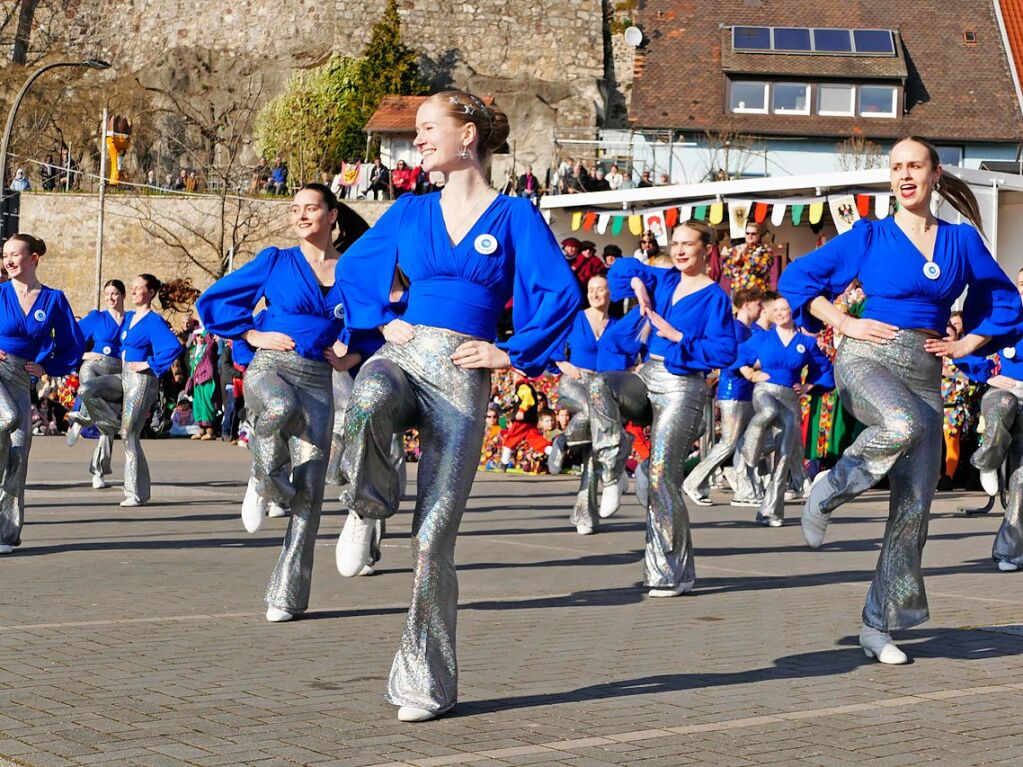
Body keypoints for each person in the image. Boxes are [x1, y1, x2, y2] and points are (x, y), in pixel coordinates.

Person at [333, 90, 579, 722]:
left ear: (468, 134)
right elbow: (355, 267)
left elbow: (559, 291)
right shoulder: (410, 210)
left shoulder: (515, 216)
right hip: (407, 355)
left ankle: (424, 683)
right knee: (368, 395)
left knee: (432, 541)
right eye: (415, 130)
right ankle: (367, 504)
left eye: (426, 128)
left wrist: (511, 353)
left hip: (465, 381)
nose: (416, 139)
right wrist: (382, 320)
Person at [779, 135, 1023, 665]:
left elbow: (1004, 301)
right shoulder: (869, 234)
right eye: (896, 167)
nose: (904, 174)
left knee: (913, 511)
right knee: (900, 422)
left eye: (915, 165)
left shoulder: (962, 241)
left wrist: (966, 343)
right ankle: (830, 486)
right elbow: (798, 278)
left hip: (927, 374)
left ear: (936, 175)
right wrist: (843, 320)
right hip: (868, 358)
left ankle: (877, 625)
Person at [196, 183, 362, 622]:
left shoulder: (353, 272)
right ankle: (264, 475)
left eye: (311, 208)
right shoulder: (276, 260)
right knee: (276, 410)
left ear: (332, 216)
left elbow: (376, 324)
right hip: (271, 367)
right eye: (295, 209)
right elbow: (214, 300)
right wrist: (251, 334)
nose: (301, 215)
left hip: (319, 382)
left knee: (309, 494)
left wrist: (352, 356)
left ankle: (286, 596)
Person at [589, 220, 737, 596]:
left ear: (707, 250)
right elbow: (620, 268)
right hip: (647, 374)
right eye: (675, 243)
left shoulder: (714, 297)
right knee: (599, 384)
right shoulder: (666, 279)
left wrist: (679, 337)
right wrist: (638, 283)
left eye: (689, 244)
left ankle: (670, 573)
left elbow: (724, 352)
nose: (681, 250)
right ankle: (612, 470)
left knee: (660, 479)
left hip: (683, 387)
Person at [0, 234, 85, 554]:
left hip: (23, 378)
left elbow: (72, 343)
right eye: (5, 254)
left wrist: (48, 365)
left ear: (33, 258)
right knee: (7, 419)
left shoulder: (53, 299)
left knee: (18, 457)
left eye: (15, 254)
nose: (8, 260)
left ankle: (5, 534)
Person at [732, 296, 833, 526]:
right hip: (765, 390)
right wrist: (750, 373)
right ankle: (747, 449)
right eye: (775, 309)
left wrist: (809, 385)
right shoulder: (762, 338)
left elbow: (824, 368)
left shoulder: (805, 342)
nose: (780, 313)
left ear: (792, 311)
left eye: (784, 309)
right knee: (767, 412)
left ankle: (771, 512)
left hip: (790, 398)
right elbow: (737, 355)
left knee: (784, 456)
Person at [548, 275, 632, 534]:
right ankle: (564, 441)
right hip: (575, 382)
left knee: (594, 451)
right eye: (591, 290)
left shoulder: (618, 325)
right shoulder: (574, 319)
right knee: (588, 412)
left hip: (603, 389)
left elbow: (629, 357)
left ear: (610, 294)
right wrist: (563, 364)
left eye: (600, 289)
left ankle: (585, 515)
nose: (595, 294)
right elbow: (552, 346)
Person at [102, 275, 183, 507]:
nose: (135, 291)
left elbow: (173, 347)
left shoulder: (153, 321)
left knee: (129, 434)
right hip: (124, 375)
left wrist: (150, 364)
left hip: (141, 379)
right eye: (133, 287)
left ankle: (135, 492)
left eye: (139, 288)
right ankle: (99, 419)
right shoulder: (129, 318)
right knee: (90, 388)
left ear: (151, 293)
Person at [683, 288, 763, 506]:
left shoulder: (749, 330)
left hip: (745, 392)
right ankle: (693, 482)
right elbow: (731, 359)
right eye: (758, 304)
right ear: (747, 304)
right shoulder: (735, 330)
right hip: (733, 392)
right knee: (727, 443)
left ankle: (743, 488)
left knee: (744, 443)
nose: (761, 308)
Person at [66, 279, 127, 488]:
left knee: (107, 426)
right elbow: (71, 336)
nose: (111, 297)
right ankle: (80, 417)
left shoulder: (131, 319)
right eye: (107, 293)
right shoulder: (96, 317)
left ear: (123, 295)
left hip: (118, 374)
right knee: (87, 382)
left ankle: (99, 471)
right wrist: (85, 354)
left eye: (115, 293)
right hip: (95, 366)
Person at [185, 327, 218, 440]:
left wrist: (205, 330)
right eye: (198, 336)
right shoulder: (193, 350)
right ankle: (201, 430)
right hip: (196, 381)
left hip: (206, 379)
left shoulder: (207, 349)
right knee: (198, 405)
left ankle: (210, 431)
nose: (200, 338)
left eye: (202, 336)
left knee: (207, 404)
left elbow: (211, 341)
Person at [723, 222, 774, 293]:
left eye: (753, 234)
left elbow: (759, 269)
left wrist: (745, 255)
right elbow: (727, 272)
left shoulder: (765, 251)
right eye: (747, 233)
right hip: (739, 292)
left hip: (758, 292)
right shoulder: (735, 250)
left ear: (758, 235)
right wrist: (738, 258)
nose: (750, 236)